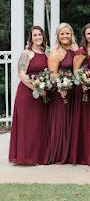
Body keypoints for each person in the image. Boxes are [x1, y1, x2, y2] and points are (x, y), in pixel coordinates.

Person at [9, 26, 48, 165]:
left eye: (40, 35)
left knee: (39, 125)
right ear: (30, 38)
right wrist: (36, 88)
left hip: (42, 94)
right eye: (34, 35)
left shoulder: (46, 53)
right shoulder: (27, 53)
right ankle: (26, 157)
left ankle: (38, 156)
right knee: (28, 125)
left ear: (43, 36)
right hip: (27, 93)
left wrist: (44, 89)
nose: (37, 37)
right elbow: (21, 74)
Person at [44, 22, 78, 164]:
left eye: (67, 33)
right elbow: (53, 74)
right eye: (62, 33)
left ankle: (71, 153)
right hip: (61, 91)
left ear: (71, 35)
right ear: (58, 35)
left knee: (71, 122)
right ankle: (59, 154)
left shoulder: (75, 48)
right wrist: (61, 88)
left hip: (74, 90)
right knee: (61, 121)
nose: (65, 36)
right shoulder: (56, 52)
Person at [70, 23, 90, 165]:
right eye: (88, 34)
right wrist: (83, 82)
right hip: (84, 90)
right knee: (85, 121)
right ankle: (83, 154)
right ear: (85, 36)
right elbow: (75, 70)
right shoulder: (81, 51)